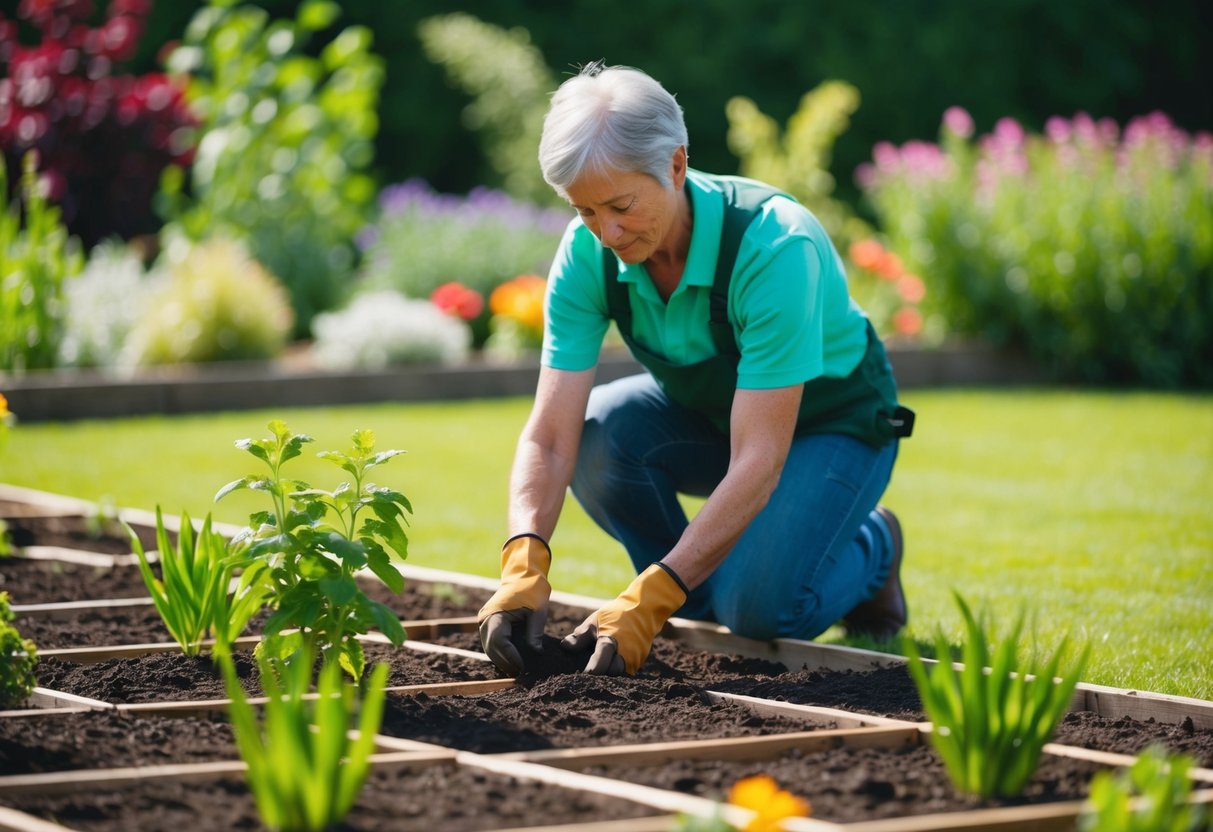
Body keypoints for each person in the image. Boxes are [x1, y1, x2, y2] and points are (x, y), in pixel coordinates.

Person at [477, 61, 914, 677]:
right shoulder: (587, 256)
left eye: (621, 205)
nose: (607, 231)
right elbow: (551, 437)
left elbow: (759, 458)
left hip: (830, 426)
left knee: (756, 609)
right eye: (585, 212)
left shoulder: (773, 246)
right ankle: (693, 584)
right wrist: (523, 562)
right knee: (600, 432)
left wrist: (649, 599)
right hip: (713, 419)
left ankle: (875, 544)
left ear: (676, 165)